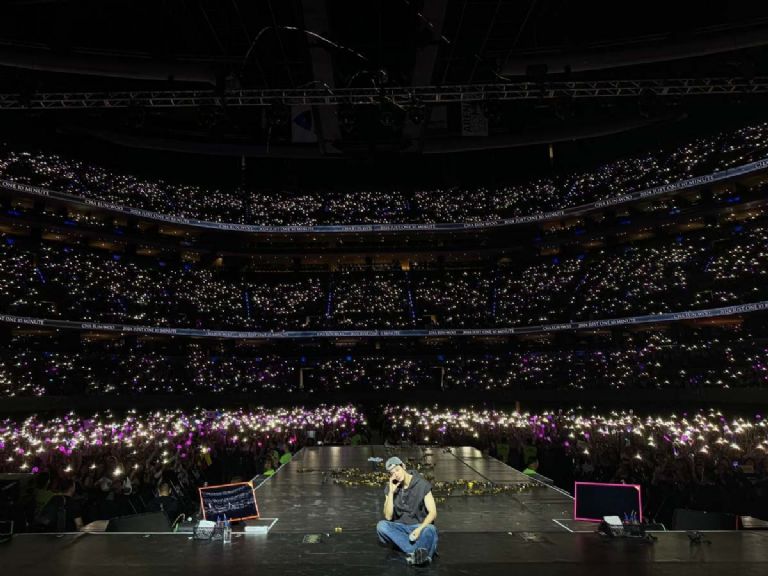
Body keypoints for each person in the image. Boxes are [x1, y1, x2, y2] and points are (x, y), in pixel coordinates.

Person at [376, 456, 438, 566]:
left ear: (403, 467)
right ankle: (420, 553)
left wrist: (420, 529)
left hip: (419, 527)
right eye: (392, 473)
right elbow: (388, 517)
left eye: (397, 470)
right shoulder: (390, 487)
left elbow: (433, 513)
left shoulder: (422, 484)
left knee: (430, 529)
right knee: (381, 526)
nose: (396, 474)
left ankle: (414, 551)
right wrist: (391, 492)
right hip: (400, 528)